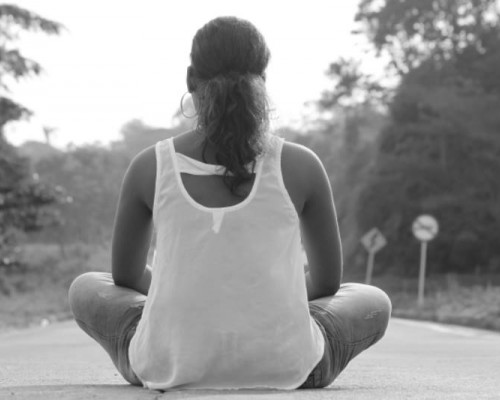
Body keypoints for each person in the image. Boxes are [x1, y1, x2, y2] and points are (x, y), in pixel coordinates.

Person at [68, 16, 391, 391]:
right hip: (293, 366)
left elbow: (125, 277)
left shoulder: (148, 166)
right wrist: (255, 296)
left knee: (87, 286)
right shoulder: (302, 165)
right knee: (372, 299)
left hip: (165, 364)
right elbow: (326, 283)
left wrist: (194, 294)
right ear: (263, 80)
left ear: (191, 79)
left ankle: (170, 339)